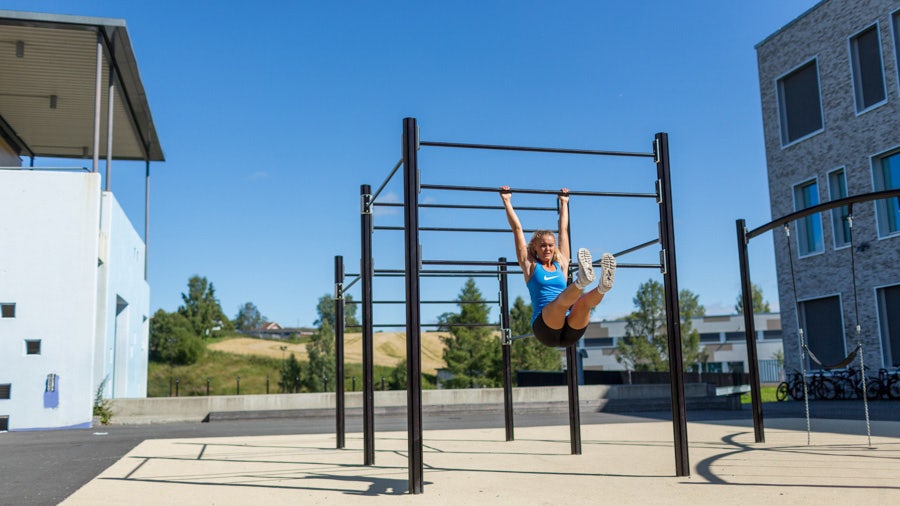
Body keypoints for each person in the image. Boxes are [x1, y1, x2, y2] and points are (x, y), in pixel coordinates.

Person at [500, 186, 615, 347]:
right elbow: (517, 229)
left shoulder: (561, 263)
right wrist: (506, 201)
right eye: (543, 246)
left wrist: (564, 203)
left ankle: (603, 287)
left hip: (570, 329)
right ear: (535, 248)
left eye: (550, 245)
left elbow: (563, 231)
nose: (547, 248)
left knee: (583, 303)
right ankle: (581, 281)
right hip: (545, 328)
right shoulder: (530, 265)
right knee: (560, 303)